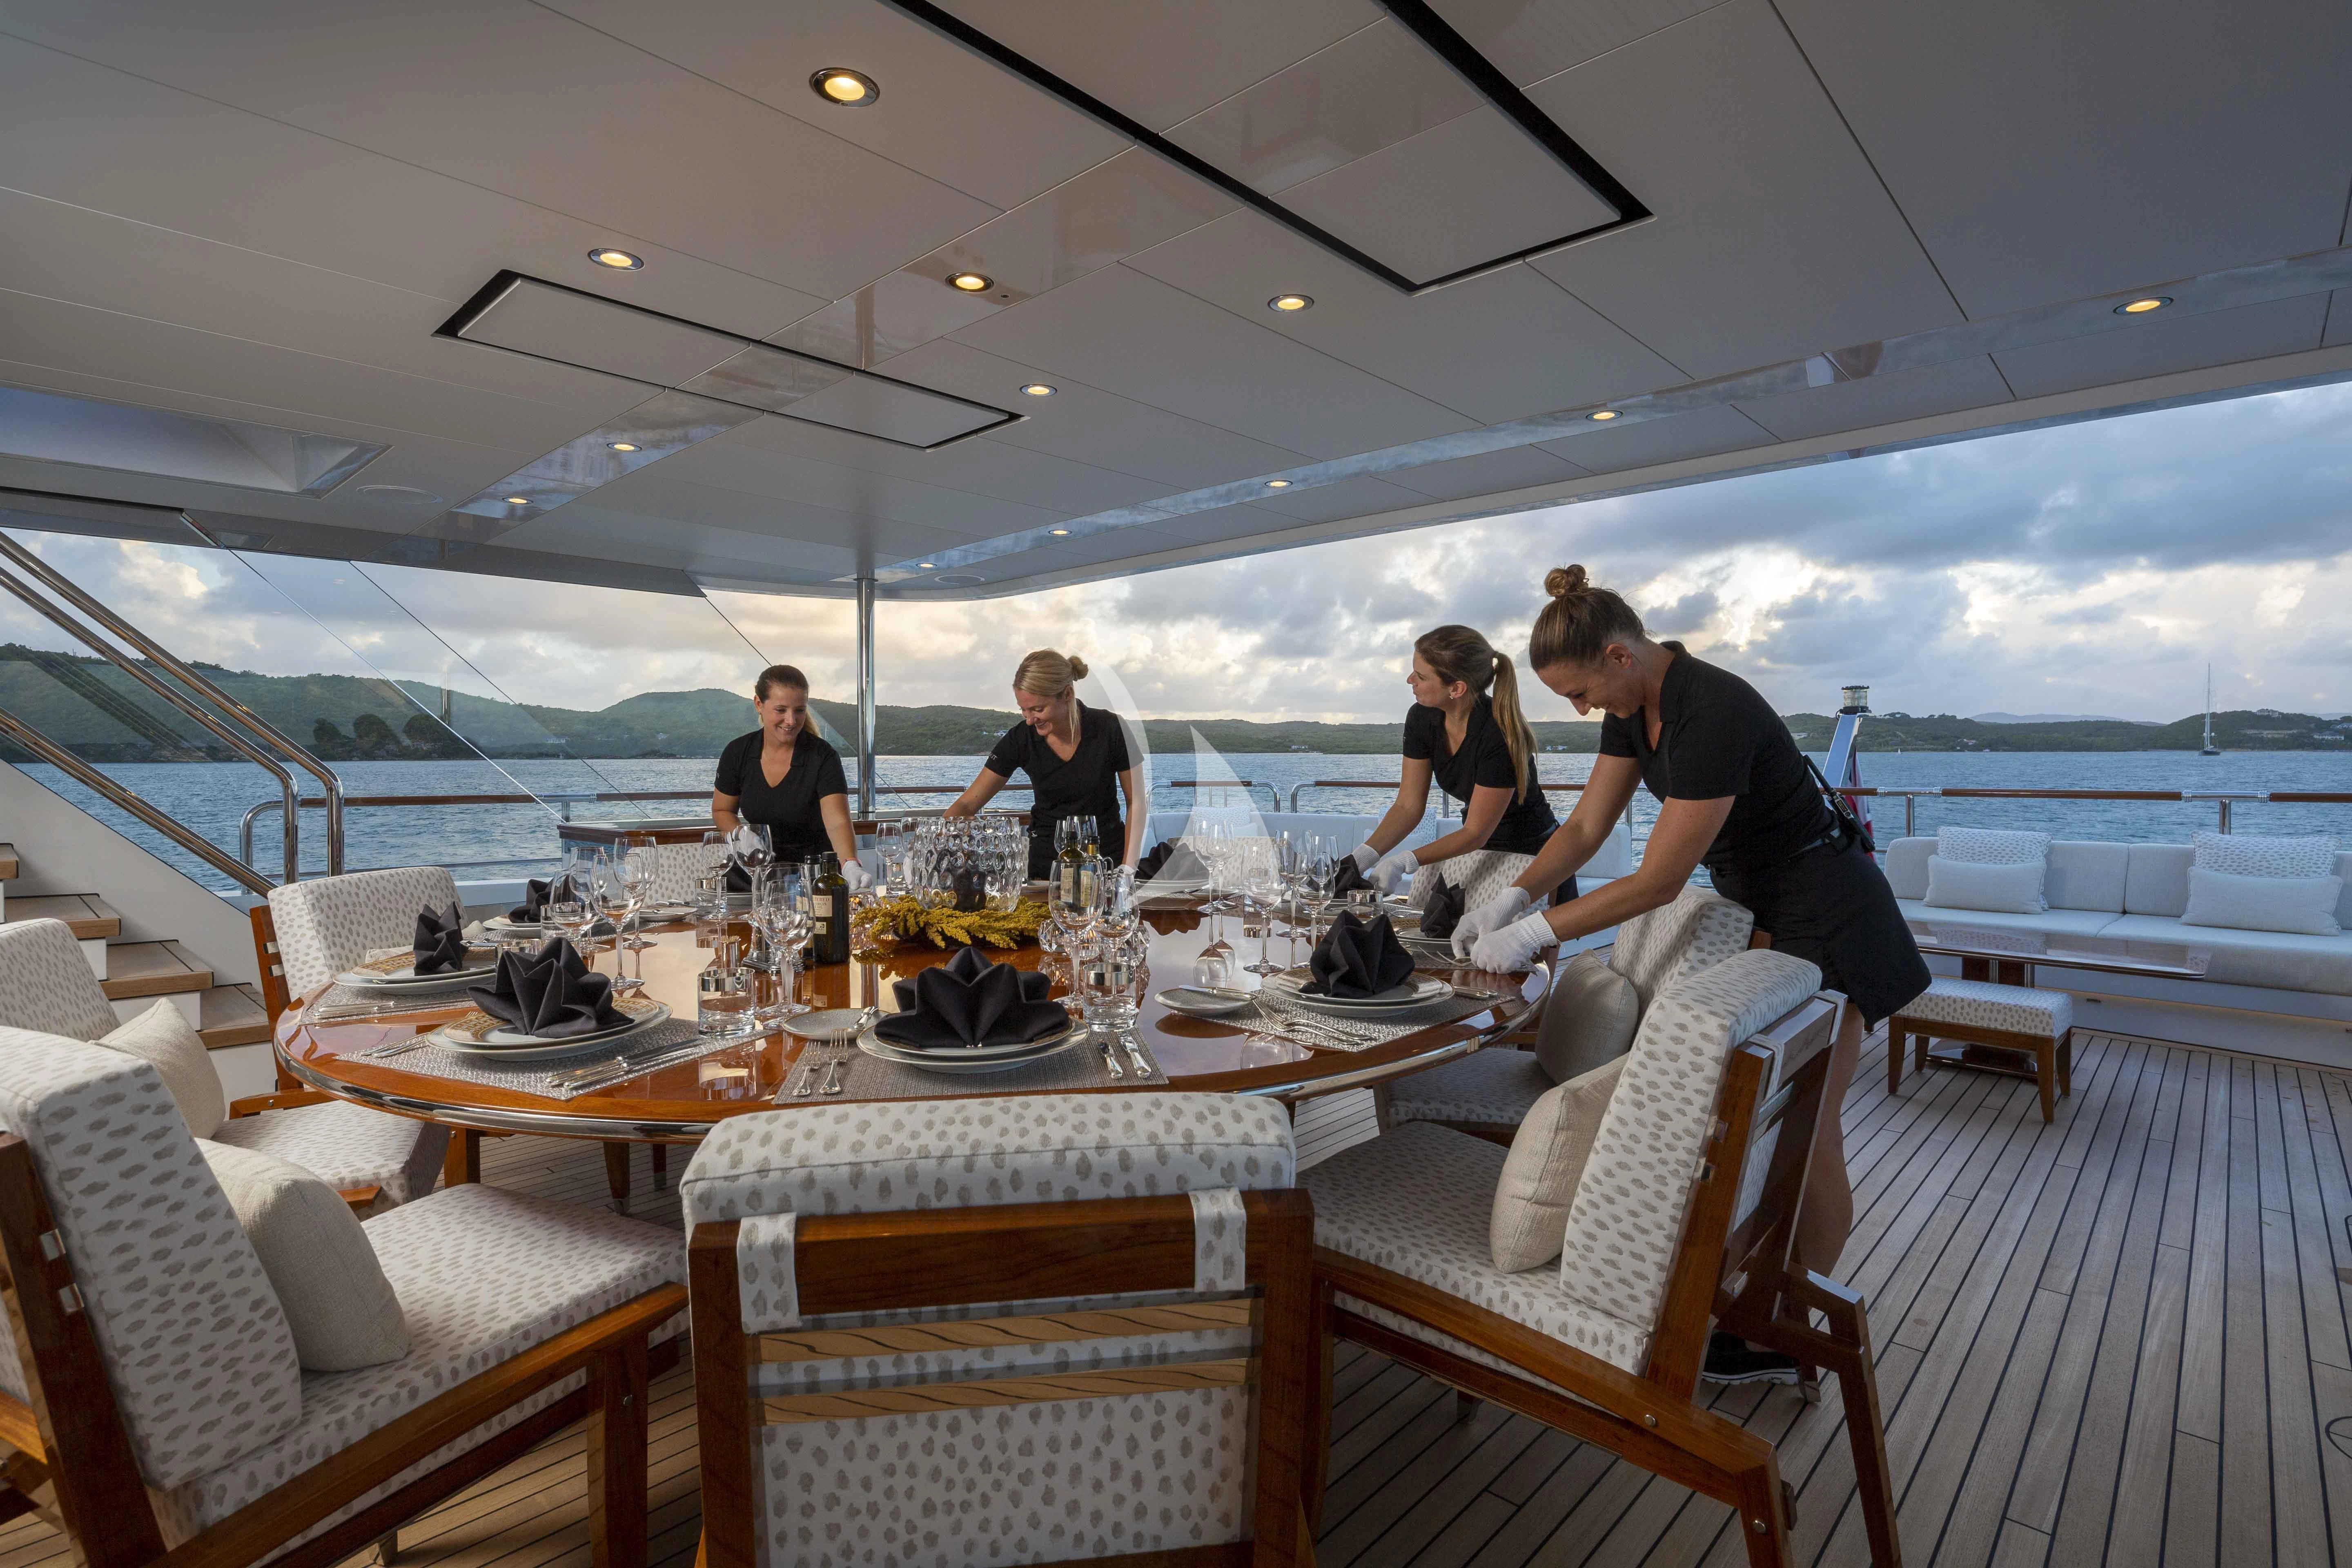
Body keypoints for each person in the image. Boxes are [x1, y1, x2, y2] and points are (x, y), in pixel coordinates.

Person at [1451, 565, 1929, 1384]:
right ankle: (1753, 1302)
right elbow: (1589, 826)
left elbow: (1660, 882)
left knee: (1807, 1133)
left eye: (1581, 693)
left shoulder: (1712, 709)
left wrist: (1533, 934)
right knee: (1755, 1129)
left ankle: (1793, 1331)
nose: (1581, 710)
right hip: (1771, 913)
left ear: (1619, 655)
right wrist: (1512, 896)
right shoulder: (1636, 708)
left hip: (1836, 915)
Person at [1350, 625, 1569, 904]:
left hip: (1532, 854)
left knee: (1513, 945)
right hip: (1475, 849)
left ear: (1456, 688)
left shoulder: (1498, 734)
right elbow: (1408, 806)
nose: (1410, 680)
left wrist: (1405, 862)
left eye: (1420, 676)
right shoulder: (1422, 718)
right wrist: (1360, 859)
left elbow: (1476, 832)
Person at [944, 649, 1145, 878]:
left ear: (1067, 694)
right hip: (1047, 868)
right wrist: (937, 844)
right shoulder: (1021, 737)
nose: (1030, 719)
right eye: (1023, 710)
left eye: (1038, 709)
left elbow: (1136, 801)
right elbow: (967, 805)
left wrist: (1128, 870)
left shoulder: (1111, 727)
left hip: (1106, 863)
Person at [710, 664, 869, 888]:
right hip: (755, 872)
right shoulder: (738, 753)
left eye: (800, 711)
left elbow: (837, 821)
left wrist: (850, 863)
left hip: (812, 875)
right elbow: (722, 810)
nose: (792, 720)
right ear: (759, 704)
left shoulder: (822, 756)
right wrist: (741, 834)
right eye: (781, 710)